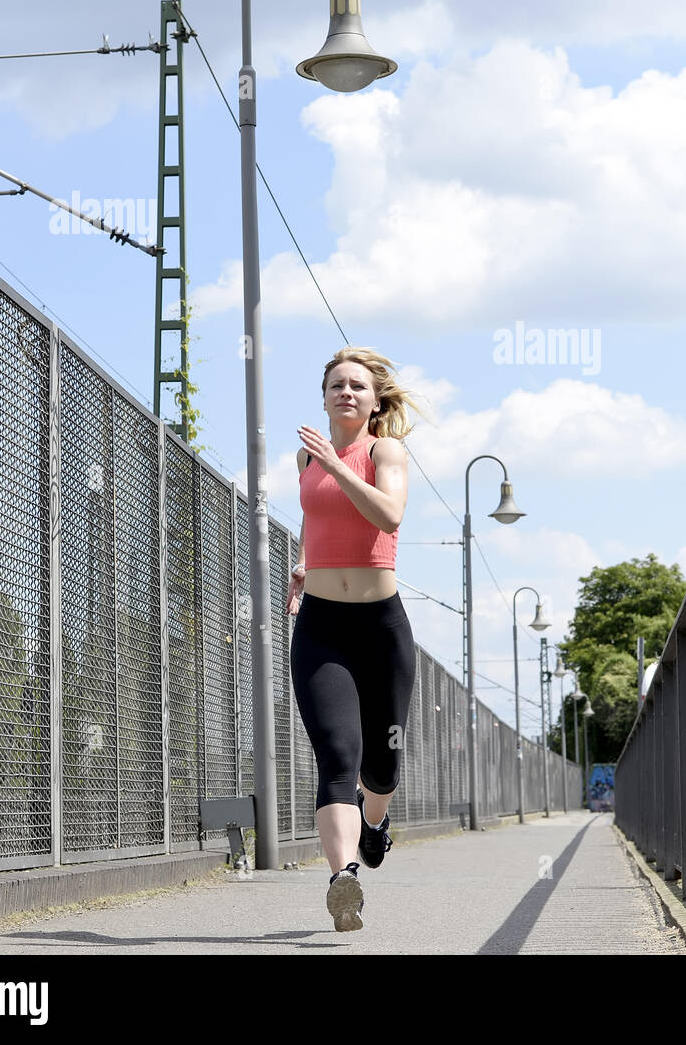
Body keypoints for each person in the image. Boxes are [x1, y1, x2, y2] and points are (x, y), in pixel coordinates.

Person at [286, 346, 425, 932]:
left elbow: (388, 516)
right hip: (321, 628)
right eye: (336, 385)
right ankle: (344, 878)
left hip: (380, 628)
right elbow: (315, 520)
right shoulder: (305, 460)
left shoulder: (383, 451)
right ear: (323, 396)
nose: (346, 392)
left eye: (357, 387)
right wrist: (301, 566)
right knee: (337, 758)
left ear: (374, 401)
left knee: (382, 766)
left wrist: (340, 465)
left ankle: (375, 822)